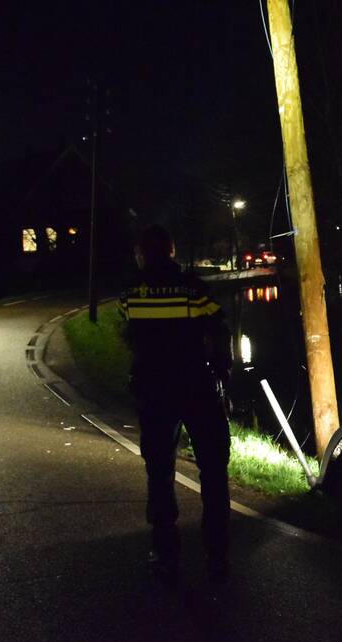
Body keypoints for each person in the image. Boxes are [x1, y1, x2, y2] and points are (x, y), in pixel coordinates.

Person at [118, 225, 233, 583]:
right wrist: (222, 373)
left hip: (153, 392)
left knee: (160, 472)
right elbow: (219, 329)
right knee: (213, 470)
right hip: (195, 388)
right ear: (171, 251)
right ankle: (216, 554)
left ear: (141, 255)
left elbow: (130, 333)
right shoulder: (193, 290)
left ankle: (165, 553)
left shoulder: (131, 295)